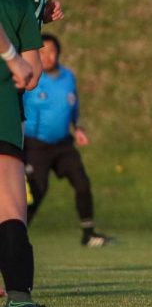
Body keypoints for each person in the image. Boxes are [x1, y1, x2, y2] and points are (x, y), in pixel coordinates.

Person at [0, 0, 62, 307]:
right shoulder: (17, 6)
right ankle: (20, 299)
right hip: (3, 116)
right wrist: (14, 58)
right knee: (10, 208)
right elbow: (32, 76)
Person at [24, 34, 113, 247]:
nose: (47, 56)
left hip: (63, 143)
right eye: (42, 51)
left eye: (51, 51)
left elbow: (73, 106)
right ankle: (15, 236)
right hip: (36, 144)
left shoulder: (68, 77)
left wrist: (78, 127)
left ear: (58, 53)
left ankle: (88, 234)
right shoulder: (30, 77)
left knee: (82, 183)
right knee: (37, 190)